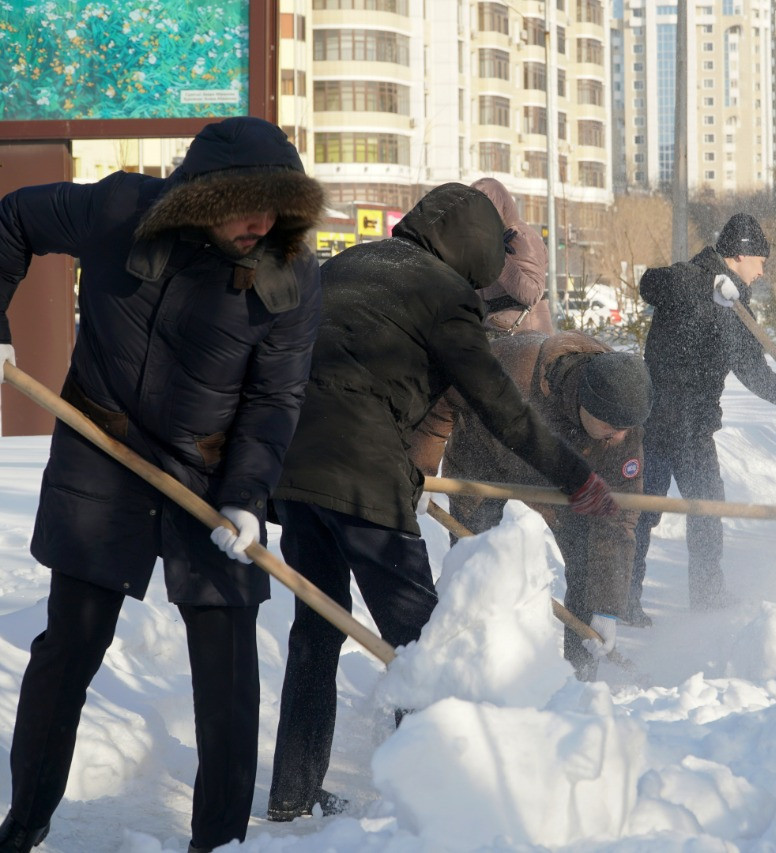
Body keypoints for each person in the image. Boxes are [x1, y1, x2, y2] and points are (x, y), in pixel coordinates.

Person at [0, 117, 325, 853]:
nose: (263, 221)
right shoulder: (120, 210)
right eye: (247, 201)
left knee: (228, 665)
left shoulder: (291, 274)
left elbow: (276, 400)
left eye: (278, 204)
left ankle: (218, 842)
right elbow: (14, 218)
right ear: (203, 196)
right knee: (69, 648)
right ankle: (23, 826)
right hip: (99, 446)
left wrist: (246, 497)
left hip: (212, 474)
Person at [265, 183, 618, 824]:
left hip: (290, 470)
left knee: (315, 630)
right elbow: (501, 408)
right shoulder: (443, 294)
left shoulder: (345, 265)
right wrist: (576, 478)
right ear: (473, 251)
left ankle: (293, 792)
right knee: (425, 639)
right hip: (363, 474)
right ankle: (433, 795)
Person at [413, 331, 651, 678]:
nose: (621, 437)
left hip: (567, 483)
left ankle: (579, 683)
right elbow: (444, 397)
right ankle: (469, 673)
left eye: (627, 429)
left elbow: (617, 518)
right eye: (613, 427)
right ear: (585, 401)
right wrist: (420, 470)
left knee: (588, 571)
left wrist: (607, 607)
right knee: (475, 566)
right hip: (483, 466)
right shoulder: (513, 368)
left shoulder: (623, 420)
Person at [629, 213, 776, 621]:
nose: (763, 269)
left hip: (696, 428)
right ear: (741, 255)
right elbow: (649, 283)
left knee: (709, 510)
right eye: (760, 260)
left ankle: (708, 593)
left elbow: (751, 369)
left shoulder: (739, 306)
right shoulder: (691, 277)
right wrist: (706, 285)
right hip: (658, 422)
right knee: (641, 512)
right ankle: (625, 600)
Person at [470, 177, 552, 336]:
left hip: (526, 335)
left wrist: (499, 260)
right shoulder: (488, 240)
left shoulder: (522, 237)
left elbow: (532, 293)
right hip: (500, 332)